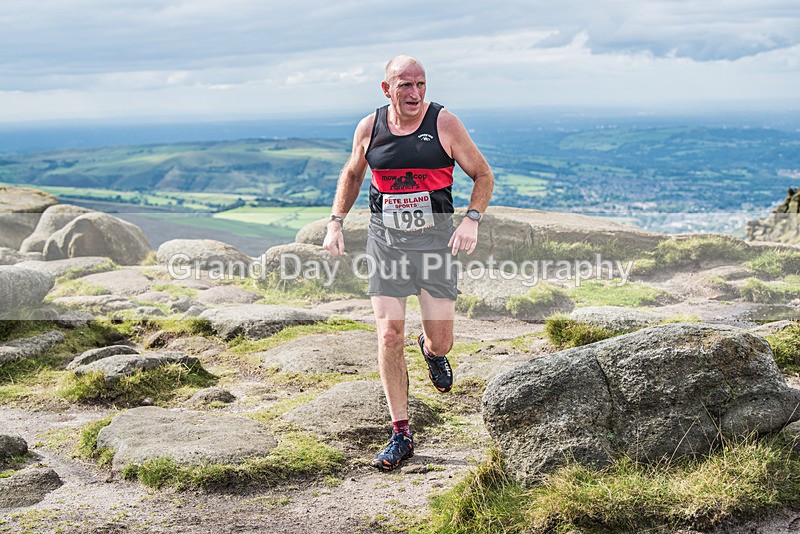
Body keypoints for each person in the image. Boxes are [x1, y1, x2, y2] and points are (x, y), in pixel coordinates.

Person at [322, 55, 494, 471]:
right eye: (404, 85)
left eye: (420, 84)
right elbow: (352, 174)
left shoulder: (445, 125)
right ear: (387, 89)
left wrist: (471, 219)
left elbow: (483, 175)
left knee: (442, 340)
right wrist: (335, 223)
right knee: (388, 335)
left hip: (435, 244)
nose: (414, 93)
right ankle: (400, 432)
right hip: (387, 243)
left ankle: (430, 351)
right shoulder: (370, 128)